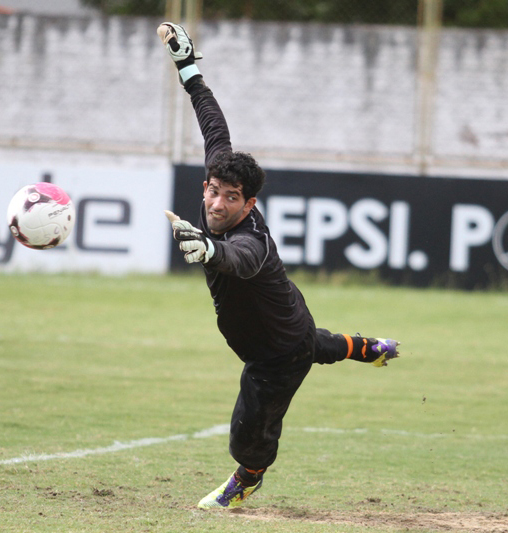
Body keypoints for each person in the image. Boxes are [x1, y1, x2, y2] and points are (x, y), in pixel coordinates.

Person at [157, 23, 400, 510]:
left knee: (250, 427)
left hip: (274, 353)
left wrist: (209, 251)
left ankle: (248, 479)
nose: (217, 203)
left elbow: (239, 260)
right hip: (292, 320)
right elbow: (214, 127)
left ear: (249, 204)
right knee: (317, 344)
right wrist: (188, 69)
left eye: (231, 198)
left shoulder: (253, 241)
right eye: (213, 191)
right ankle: (368, 348)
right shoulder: (219, 178)